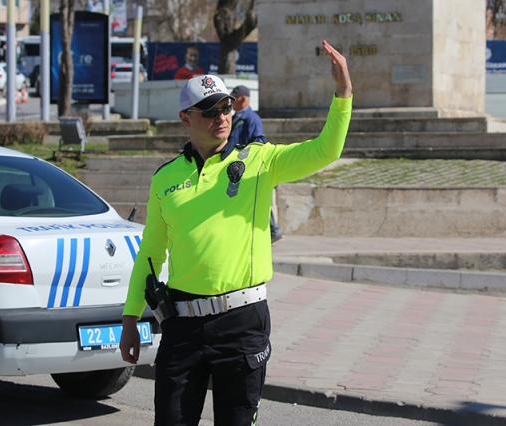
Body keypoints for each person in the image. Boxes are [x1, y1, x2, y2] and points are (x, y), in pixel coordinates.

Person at [120, 40, 352, 426]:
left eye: (226, 106)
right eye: (209, 111)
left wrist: (343, 93)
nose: (221, 117)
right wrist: (130, 319)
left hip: (242, 322)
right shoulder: (165, 178)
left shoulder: (260, 161)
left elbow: (325, 150)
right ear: (185, 118)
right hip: (181, 323)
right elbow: (151, 253)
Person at [229, 84, 283, 244]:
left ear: (243, 99)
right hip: (236, 166)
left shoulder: (251, 119)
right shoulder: (235, 117)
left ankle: (274, 230)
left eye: (234, 98)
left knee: (258, 199)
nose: (231, 102)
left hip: (247, 165)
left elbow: (258, 141)